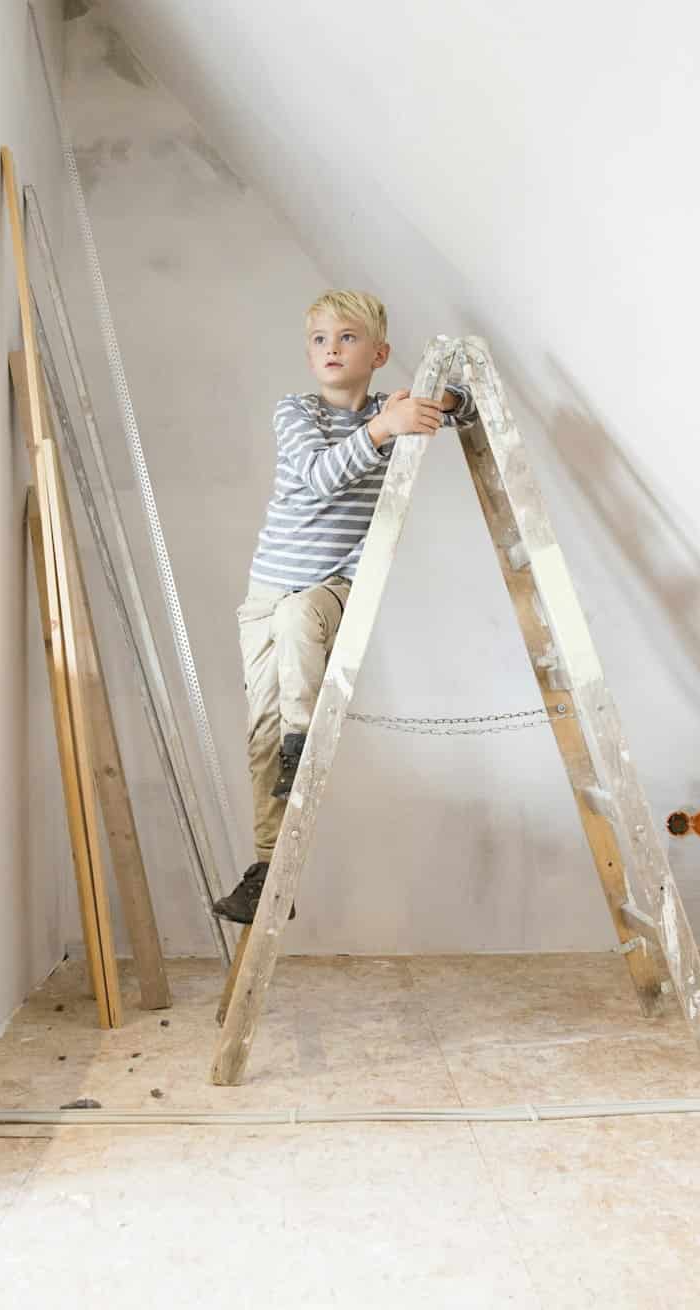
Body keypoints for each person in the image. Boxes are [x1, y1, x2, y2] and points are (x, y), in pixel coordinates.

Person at [211, 291, 474, 924]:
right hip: (263, 597)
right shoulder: (297, 412)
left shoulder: (391, 412)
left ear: (379, 354)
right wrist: (385, 428)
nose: (331, 349)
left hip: (330, 587)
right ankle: (269, 867)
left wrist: (442, 402)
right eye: (320, 339)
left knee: (303, 622)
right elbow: (319, 476)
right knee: (260, 737)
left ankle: (305, 740)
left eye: (347, 338)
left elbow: (460, 412)